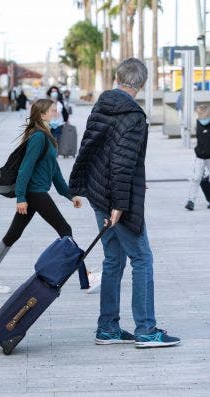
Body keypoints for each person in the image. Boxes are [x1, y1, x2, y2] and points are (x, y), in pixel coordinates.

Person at [69, 57, 181, 348]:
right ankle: (146, 329)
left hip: (98, 194)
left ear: (118, 79)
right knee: (142, 258)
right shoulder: (133, 115)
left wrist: (92, 191)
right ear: (141, 85)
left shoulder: (101, 105)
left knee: (114, 259)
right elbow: (120, 162)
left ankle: (108, 328)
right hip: (117, 199)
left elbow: (92, 149)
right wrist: (119, 204)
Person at [0, 99, 100, 294]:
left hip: (35, 193)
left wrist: (71, 195)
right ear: (42, 115)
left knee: (13, 234)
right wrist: (20, 197)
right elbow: (25, 169)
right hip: (35, 193)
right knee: (64, 229)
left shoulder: (48, 136)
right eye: (52, 110)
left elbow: (56, 173)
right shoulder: (38, 138)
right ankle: (86, 276)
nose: (56, 112)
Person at [185, 104, 210, 210]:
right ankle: (191, 201)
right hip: (200, 155)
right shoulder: (198, 123)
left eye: (204, 114)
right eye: (200, 114)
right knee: (196, 178)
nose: (201, 117)